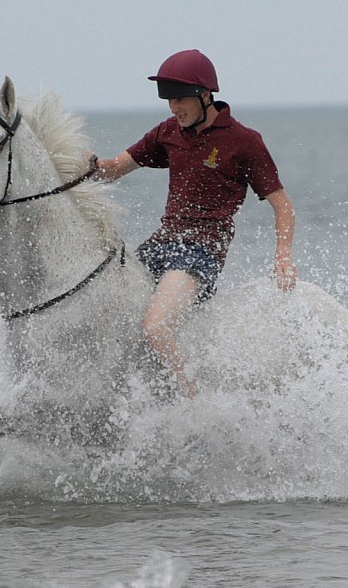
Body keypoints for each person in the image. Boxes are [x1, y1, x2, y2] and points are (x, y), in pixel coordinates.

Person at [92, 49, 296, 397]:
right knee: (108, 311)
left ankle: (195, 402)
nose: (174, 108)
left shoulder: (243, 141)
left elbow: (283, 206)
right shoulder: (168, 132)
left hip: (202, 250)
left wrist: (283, 255)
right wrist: (81, 163)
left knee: (155, 328)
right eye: (169, 100)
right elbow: (111, 169)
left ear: (205, 95)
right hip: (160, 244)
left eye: (180, 99)